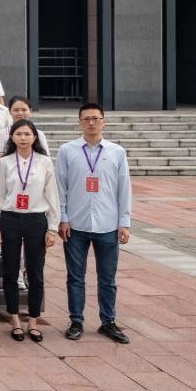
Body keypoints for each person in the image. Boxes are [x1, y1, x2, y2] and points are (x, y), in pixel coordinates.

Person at [56, 103, 132, 344]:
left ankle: (108, 321)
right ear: (79, 122)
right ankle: (76, 321)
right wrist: (63, 217)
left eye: (96, 119)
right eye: (86, 119)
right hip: (75, 225)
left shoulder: (116, 152)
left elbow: (124, 189)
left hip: (107, 225)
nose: (91, 123)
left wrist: (124, 222)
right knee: (75, 277)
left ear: (104, 122)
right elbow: (60, 186)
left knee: (107, 279)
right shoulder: (67, 151)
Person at [0, 118, 59, 342]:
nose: (23, 138)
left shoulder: (44, 162)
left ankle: (33, 320)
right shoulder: (5, 162)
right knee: (10, 271)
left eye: (27, 134)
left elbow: (52, 195)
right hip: (10, 219)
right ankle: (14, 319)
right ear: (12, 137)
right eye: (18, 134)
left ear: (34, 137)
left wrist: (53, 227)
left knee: (35, 272)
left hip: (36, 220)